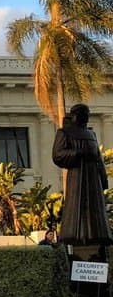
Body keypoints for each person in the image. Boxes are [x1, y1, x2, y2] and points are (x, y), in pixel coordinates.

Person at [52, 103, 112, 247]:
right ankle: (75, 236)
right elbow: (57, 155)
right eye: (83, 114)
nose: (86, 116)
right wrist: (78, 153)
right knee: (76, 207)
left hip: (93, 178)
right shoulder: (64, 132)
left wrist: (102, 177)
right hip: (77, 177)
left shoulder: (91, 134)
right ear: (75, 115)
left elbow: (98, 157)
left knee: (95, 210)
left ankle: (98, 236)